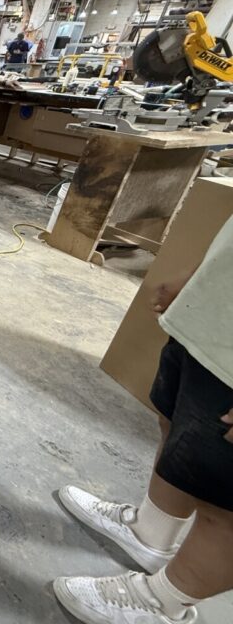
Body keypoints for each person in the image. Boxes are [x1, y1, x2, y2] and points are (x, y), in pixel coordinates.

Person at [53, 214, 233, 624]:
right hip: (214, 323)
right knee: (174, 426)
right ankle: (150, 532)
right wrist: (199, 279)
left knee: (224, 508)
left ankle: (164, 604)